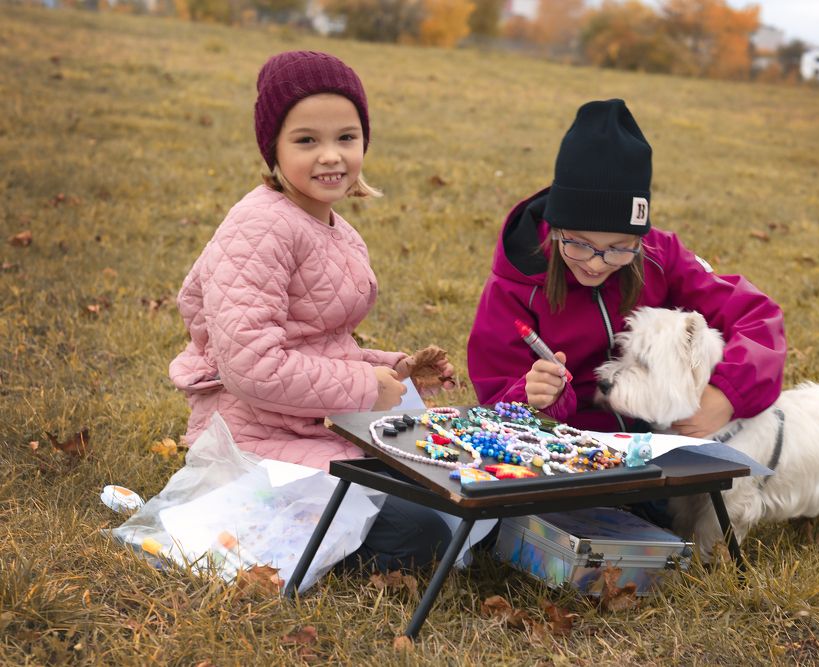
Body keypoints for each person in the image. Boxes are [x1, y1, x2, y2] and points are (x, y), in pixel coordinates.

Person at [169, 51, 454, 571]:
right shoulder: (258, 227)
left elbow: (321, 343)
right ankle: (252, 524)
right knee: (425, 532)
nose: (331, 156)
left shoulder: (336, 228)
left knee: (456, 486)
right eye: (307, 140)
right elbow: (254, 366)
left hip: (311, 424)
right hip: (254, 442)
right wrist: (371, 390)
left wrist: (392, 370)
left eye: (346, 137)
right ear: (273, 147)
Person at [468, 99, 786, 439]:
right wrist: (533, 397)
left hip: (659, 443)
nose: (595, 263)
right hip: (567, 454)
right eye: (578, 244)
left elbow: (757, 319)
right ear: (556, 228)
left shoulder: (659, 255)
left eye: (618, 249)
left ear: (639, 238)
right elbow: (495, 402)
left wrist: (727, 396)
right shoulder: (513, 286)